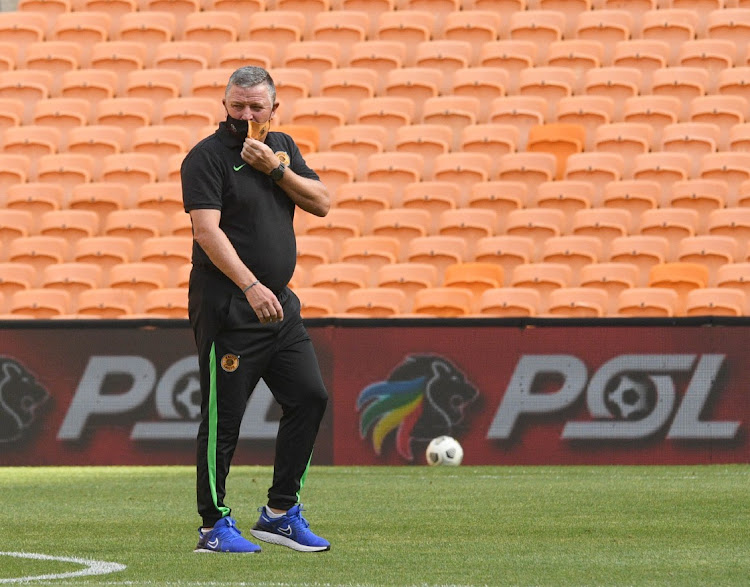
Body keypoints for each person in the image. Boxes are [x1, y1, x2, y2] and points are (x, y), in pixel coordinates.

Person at [181, 66, 331, 554]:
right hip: (229, 302)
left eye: (256, 107)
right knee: (224, 419)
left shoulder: (281, 147)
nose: (245, 115)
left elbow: (322, 203)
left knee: (309, 396)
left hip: (279, 303)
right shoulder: (206, 157)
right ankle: (213, 525)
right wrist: (249, 286)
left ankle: (280, 514)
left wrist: (276, 168)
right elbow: (207, 231)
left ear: (273, 109)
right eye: (237, 105)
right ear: (224, 104)